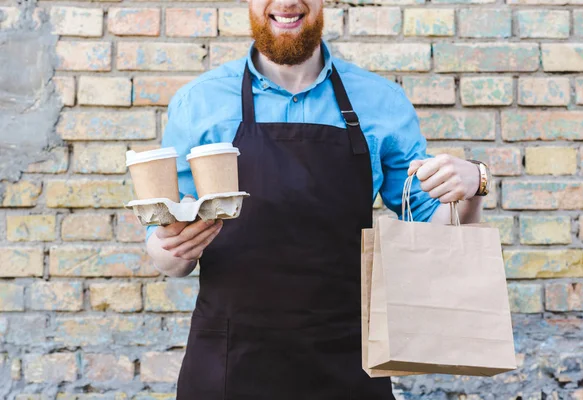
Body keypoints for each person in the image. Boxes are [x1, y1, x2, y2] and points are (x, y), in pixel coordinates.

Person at [145, 0, 491, 397]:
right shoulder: (198, 103)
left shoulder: (381, 101)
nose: (288, 2)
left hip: (348, 362)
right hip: (229, 361)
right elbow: (168, 253)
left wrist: (473, 185)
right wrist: (172, 249)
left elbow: (439, 236)